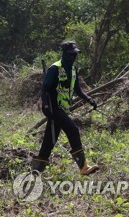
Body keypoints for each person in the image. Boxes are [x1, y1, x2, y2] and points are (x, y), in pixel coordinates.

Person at [31, 41, 99, 175]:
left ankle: (36, 169)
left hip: (61, 108)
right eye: (70, 54)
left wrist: (89, 99)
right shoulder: (55, 69)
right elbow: (44, 90)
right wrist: (45, 106)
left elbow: (77, 90)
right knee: (73, 130)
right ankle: (83, 167)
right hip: (52, 107)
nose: (73, 57)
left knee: (51, 139)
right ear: (64, 54)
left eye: (75, 54)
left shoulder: (73, 70)